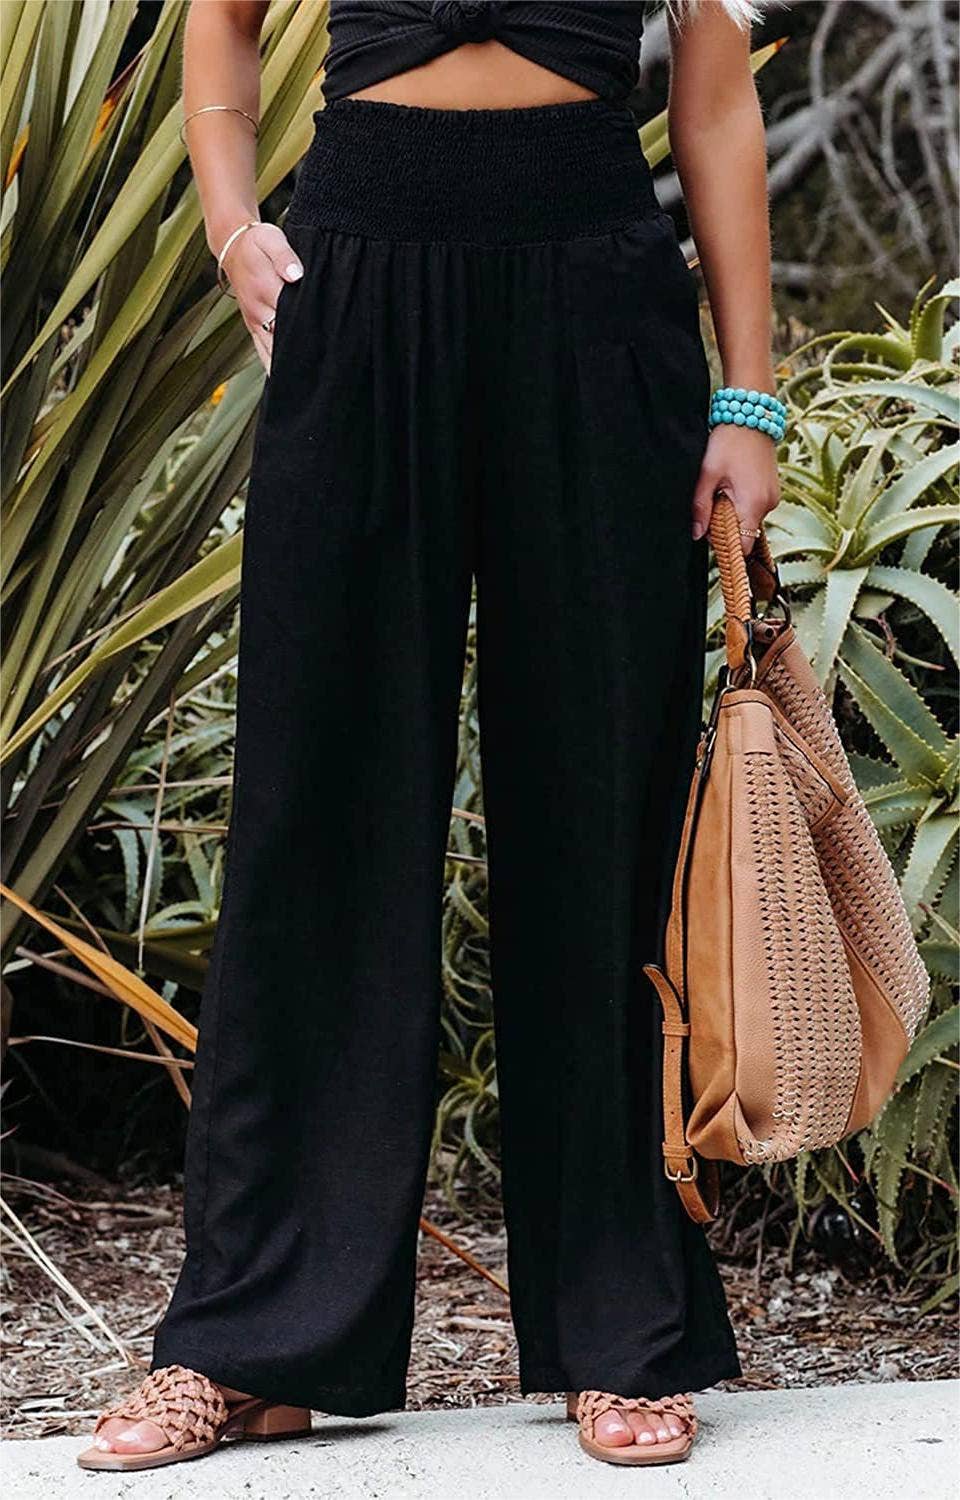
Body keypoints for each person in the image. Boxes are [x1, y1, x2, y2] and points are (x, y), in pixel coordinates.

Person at [78, 0, 779, 1473]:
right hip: (360, 282)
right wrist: (231, 226)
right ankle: (251, 1344)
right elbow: (220, 25)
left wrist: (748, 396)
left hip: (596, 292)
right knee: (315, 811)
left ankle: (622, 1332)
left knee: (602, 813)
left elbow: (716, 105)